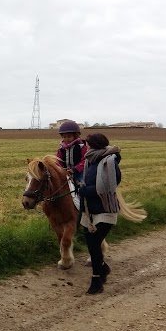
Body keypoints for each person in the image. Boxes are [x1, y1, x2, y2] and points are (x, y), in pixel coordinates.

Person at [79, 133, 121, 295]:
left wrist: (85, 190)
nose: (86, 146)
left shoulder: (109, 161)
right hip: (89, 210)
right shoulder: (90, 160)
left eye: (87, 143)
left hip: (105, 209)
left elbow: (109, 186)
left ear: (94, 144)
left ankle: (96, 280)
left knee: (94, 244)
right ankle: (102, 268)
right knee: (92, 245)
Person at [55, 120, 88, 189]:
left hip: (79, 172)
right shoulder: (61, 149)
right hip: (65, 172)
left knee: (83, 186)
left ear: (75, 136)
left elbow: (85, 160)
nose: (66, 139)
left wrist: (75, 169)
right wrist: (61, 170)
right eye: (64, 137)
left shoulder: (81, 147)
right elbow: (58, 161)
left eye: (69, 137)